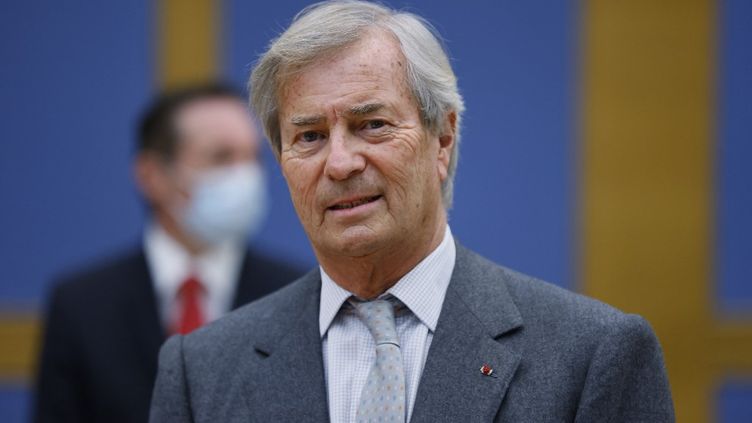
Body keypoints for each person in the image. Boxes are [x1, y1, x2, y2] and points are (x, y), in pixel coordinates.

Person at [149, 2, 675, 422]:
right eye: (308, 136)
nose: (339, 162)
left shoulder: (591, 355)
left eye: (372, 125)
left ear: (442, 138)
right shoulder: (203, 371)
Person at [33, 83, 303, 423]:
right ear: (153, 175)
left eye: (253, 157)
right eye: (221, 157)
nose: (245, 175)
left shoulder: (296, 293)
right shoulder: (81, 305)